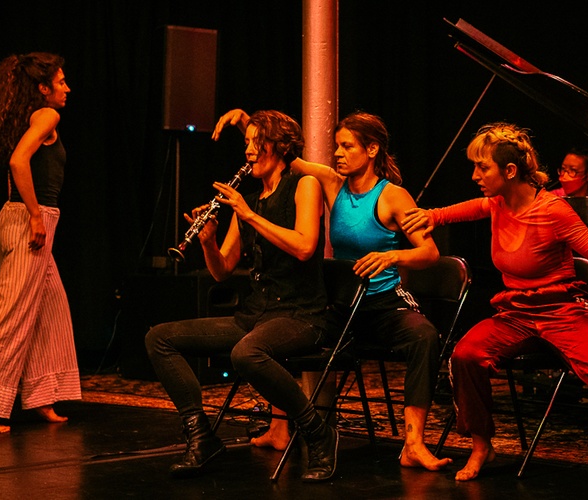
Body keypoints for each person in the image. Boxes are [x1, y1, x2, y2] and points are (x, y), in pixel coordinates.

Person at [401, 122, 588, 484]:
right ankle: (481, 444)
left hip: (563, 310)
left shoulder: (554, 211)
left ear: (509, 171)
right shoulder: (496, 203)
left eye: (482, 167)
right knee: (466, 355)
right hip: (516, 313)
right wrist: (429, 215)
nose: (475, 175)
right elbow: (452, 212)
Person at [213, 109, 450, 472]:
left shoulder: (392, 196)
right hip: (341, 305)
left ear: (371, 150)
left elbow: (430, 252)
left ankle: (413, 443)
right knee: (283, 328)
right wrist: (249, 123)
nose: (336, 154)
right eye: (336, 146)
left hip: (383, 303)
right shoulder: (329, 182)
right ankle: (280, 428)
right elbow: (282, 154)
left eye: (346, 146)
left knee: (425, 337)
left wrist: (393, 257)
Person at [145, 110, 339, 482]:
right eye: (246, 143)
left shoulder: (304, 185)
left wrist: (249, 215)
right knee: (159, 337)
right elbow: (222, 271)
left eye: (256, 142)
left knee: (246, 353)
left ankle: (317, 432)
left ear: (280, 147)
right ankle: (202, 436)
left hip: (303, 315)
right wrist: (208, 242)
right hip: (256, 314)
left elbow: (304, 246)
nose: (248, 151)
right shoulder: (247, 201)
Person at [0, 52, 81, 434]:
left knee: (50, 310)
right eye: (60, 83)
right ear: (43, 88)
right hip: (30, 221)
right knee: (8, 315)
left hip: (16, 220)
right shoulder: (47, 115)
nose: (67, 89)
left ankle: (42, 396)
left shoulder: (28, 115)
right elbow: (18, 162)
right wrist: (34, 216)